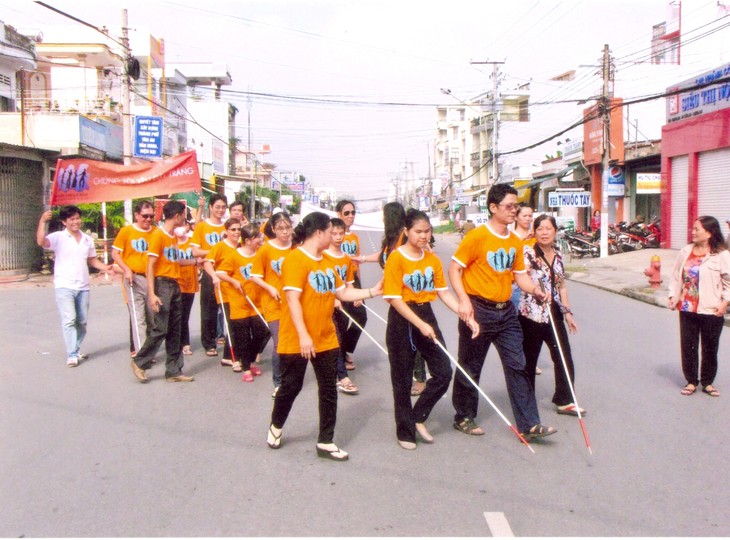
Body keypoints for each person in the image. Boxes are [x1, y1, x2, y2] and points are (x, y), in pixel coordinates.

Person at [266, 211, 383, 461]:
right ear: (318, 232)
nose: (334, 235)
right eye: (330, 230)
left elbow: (343, 294)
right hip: (298, 337)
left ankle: (326, 441)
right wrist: (304, 336)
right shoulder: (295, 260)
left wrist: (372, 291)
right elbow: (293, 300)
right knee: (291, 386)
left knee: (328, 388)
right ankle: (276, 425)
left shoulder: (329, 263)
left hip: (326, 336)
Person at [448, 184, 557, 440]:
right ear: (493, 207)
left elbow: (520, 277)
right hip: (479, 311)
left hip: (506, 313)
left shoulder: (514, 242)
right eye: (509, 206)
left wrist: (537, 291)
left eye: (515, 206)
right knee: (470, 366)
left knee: (518, 365)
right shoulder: (476, 237)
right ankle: (463, 415)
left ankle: (529, 424)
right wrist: (464, 302)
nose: (514, 210)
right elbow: (454, 270)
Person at [383, 209, 479, 449]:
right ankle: (405, 431)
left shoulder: (432, 259)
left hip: (426, 313)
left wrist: (465, 314)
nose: (424, 236)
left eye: (427, 231)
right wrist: (420, 324)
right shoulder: (396, 258)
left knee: (443, 370)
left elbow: (443, 293)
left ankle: (417, 417)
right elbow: (394, 298)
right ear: (406, 232)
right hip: (402, 317)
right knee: (402, 378)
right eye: (418, 231)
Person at [518, 214, 584, 416]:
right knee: (529, 360)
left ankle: (565, 400)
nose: (544, 232)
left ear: (555, 231)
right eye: (540, 229)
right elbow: (520, 277)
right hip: (531, 313)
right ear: (534, 232)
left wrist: (568, 313)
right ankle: (526, 403)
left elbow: (561, 286)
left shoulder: (559, 254)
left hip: (553, 312)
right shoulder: (527, 252)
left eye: (548, 228)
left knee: (563, 356)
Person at [36, 206, 113, 367]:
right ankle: (72, 353)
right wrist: (43, 221)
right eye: (72, 219)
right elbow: (41, 241)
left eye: (77, 218)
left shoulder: (87, 239)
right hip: (64, 285)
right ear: (64, 222)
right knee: (69, 320)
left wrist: (106, 267)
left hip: (83, 286)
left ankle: (75, 349)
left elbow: (92, 260)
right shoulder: (58, 237)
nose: (76, 221)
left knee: (82, 322)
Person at [130, 200, 196, 383]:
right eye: (184, 215)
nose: (185, 219)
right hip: (162, 284)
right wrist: (152, 293)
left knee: (175, 329)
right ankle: (140, 361)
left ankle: (173, 370)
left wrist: (197, 261)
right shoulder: (158, 236)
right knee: (160, 328)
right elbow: (150, 266)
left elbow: (177, 261)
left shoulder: (172, 237)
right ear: (177, 216)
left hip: (175, 284)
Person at [668, 216, 730, 398]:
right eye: (693, 229)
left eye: (697, 229)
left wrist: (725, 302)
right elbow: (675, 276)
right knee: (688, 345)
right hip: (687, 306)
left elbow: (728, 282)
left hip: (711, 308)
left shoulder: (721, 255)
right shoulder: (686, 251)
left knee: (710, 347)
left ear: (709, 233)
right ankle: (691, 381)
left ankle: (708, 382)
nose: (693, 232)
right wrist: (673, 295)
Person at [215, 223, 271, 381]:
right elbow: (220, 272)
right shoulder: (234, 255)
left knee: (262, 331)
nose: (260, 241)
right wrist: (233, 281)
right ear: (247, 241)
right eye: (257, 238)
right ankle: (247, 367)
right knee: (243, 336)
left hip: (257, 301)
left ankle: (250, 359)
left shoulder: (260, 254)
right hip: (239, 300)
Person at [252, 211, 293, 397]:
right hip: (273, 304)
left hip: (292, 303)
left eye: (287, 228)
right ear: (274, 230)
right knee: (279, 343)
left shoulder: (296, 248)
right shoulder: (266, 249)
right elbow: (255, 276)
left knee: (292, 343)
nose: (285, 232)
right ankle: (278, 382)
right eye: (280, 228)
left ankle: (288, 376)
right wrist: (270, 288)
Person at [111, 200, 156, 357]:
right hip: (134, 279)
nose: (148, 219)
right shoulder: (126, 232)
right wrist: (126, 269)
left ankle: (147, 350)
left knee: (152, 318)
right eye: (145, 216)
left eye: (151, 216)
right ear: (137, 215)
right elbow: (115, 253)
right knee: (138, 318)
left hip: (152, 280)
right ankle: (141, 354)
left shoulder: (156, 232)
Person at [324, 217, 359, 395]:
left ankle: (332, 367)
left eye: (341, 233)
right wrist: (333, 298)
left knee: (340, 337)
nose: (338, 237)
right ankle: (342, 377)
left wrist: (356, 297)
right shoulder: (323, 258)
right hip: (327, 306)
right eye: (334, 233)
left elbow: (349, 282)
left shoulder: (345, 258)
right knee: (336, 339)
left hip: (343, 305)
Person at [191, 194, 228, 357]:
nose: (220, 210)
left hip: (226, 272)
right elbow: (195, 251)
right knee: (208, 309)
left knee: (227, 308)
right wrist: (214, 252)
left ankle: (229, 341)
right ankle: (209, 343)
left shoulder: (227, 227)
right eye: (217, 207)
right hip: (208, 271)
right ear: (211, 207)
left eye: (223, 207)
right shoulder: (201, 227)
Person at [202, 218, 241, 367]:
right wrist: (214, 277)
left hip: (238, 291)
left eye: (238, 229)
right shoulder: (219, 247)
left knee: (238, 324)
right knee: (231, 323)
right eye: (233, 229)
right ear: (226, 232)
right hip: (224, 291)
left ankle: (229, 356)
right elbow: (207, 263)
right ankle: (231, 356)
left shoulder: (241, 247)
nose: (236, 232)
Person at [334, 200, 368, 371]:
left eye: (353, 212)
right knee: (342, 319)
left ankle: (344, 348)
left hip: (353, 279)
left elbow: (356, 263)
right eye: (346, 213)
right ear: (339, 214)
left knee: (361, 316)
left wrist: (359, 287)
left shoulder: (354, 237)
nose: (351, 216)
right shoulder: (333, 236)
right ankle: (339, 356)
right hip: (338, 278)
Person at [510, 203, 541, 375]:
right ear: (516, 217)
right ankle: (518, 361)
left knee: (531, 325)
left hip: (532, 285)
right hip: (515, 286)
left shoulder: (534, 238)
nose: (528, 219)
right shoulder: (511, 237)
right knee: (517, 325)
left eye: (531, 216)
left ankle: (529, 361)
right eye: (525, 216)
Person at [176, 220, 200, 356]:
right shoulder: (171, 242)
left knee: (185, 315)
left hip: (190, 283)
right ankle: (178, 342)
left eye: (183, 225)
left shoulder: (191, 241)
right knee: (176, 315)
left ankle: (185, 343)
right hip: (176, 283)